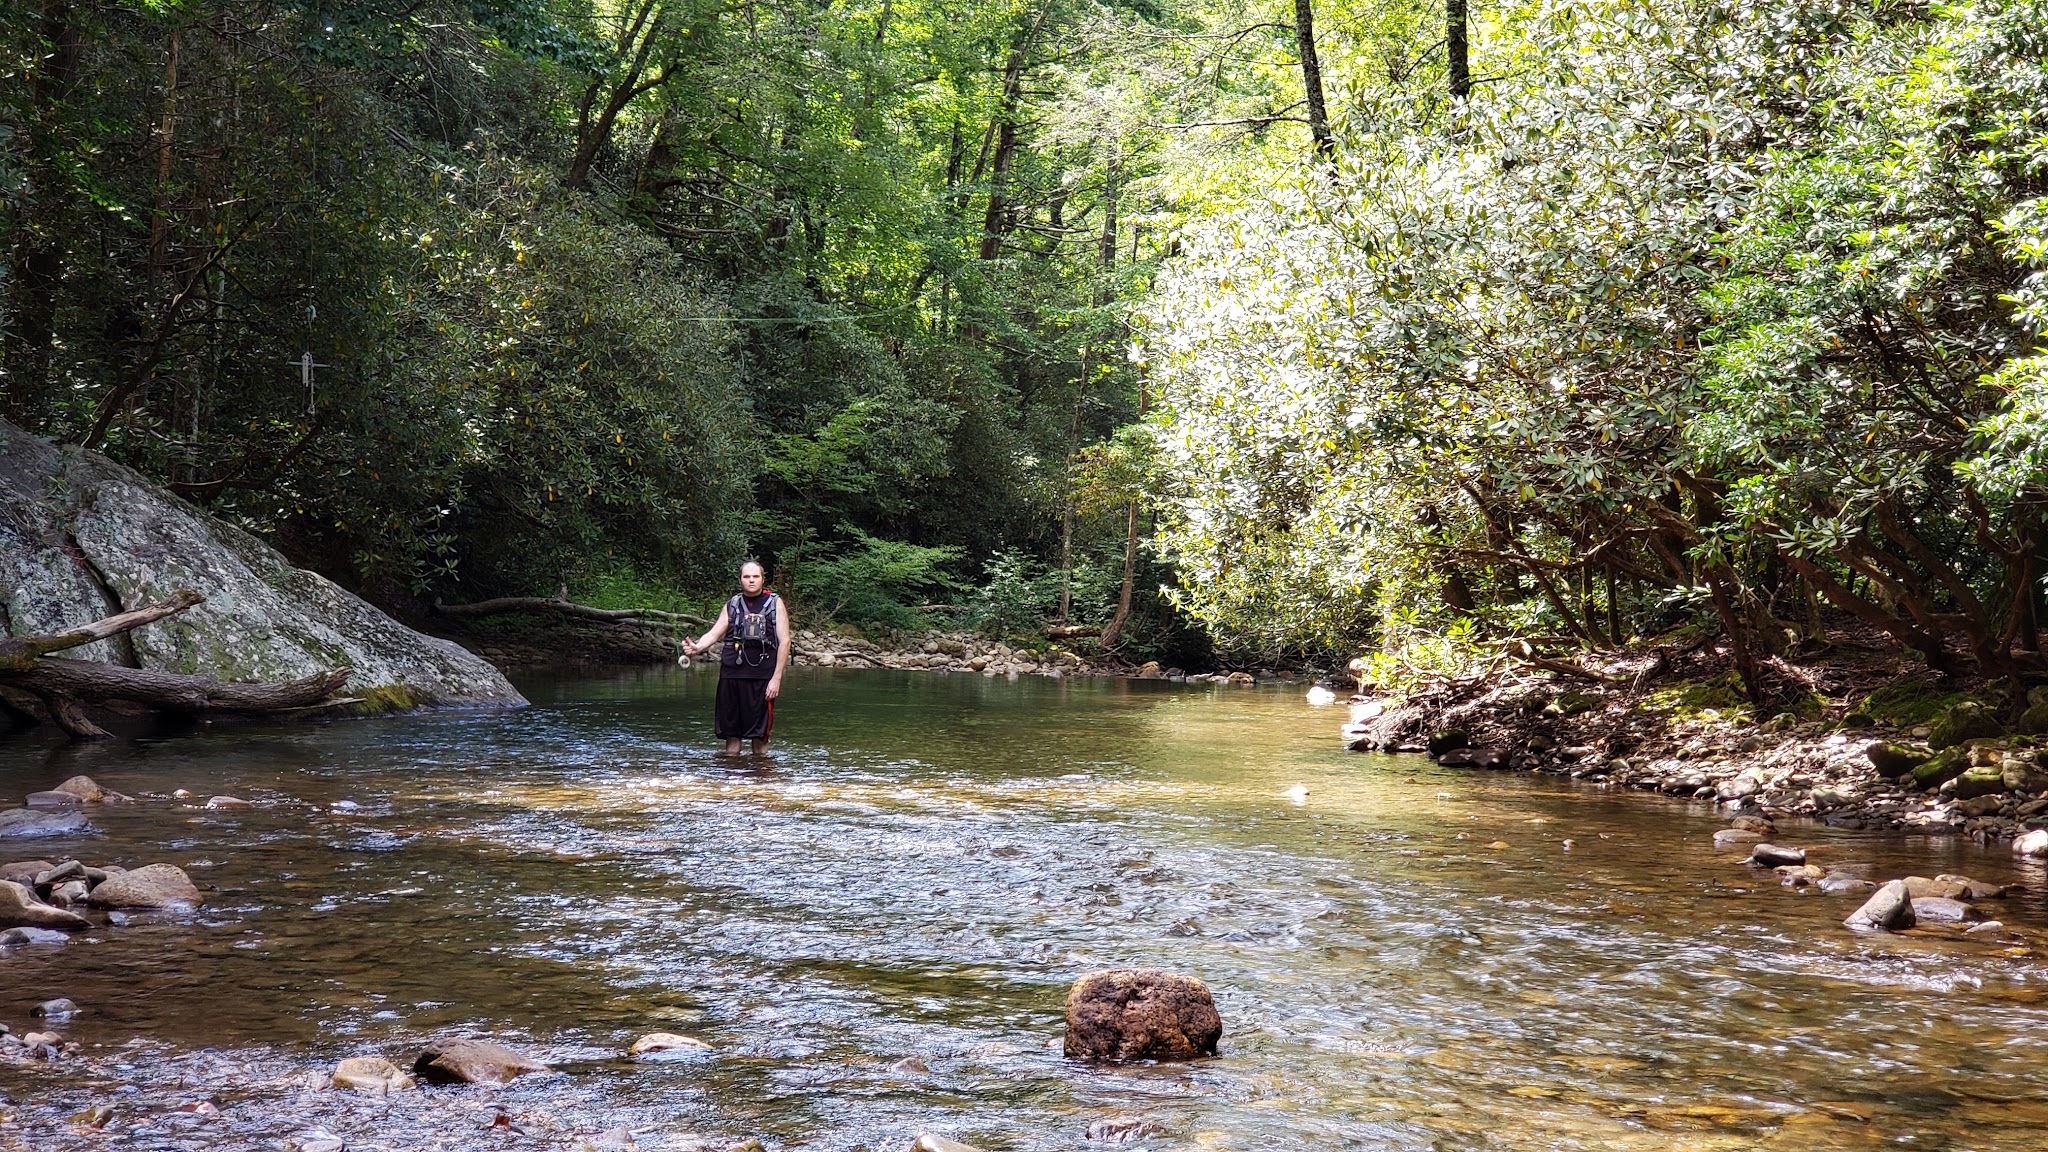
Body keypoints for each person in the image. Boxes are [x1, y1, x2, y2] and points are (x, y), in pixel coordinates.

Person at [681, 560, 791, 755]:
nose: (751, 580)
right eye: (746, 577)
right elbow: (714, 634)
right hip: (731, 675)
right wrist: (697, 647)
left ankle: (760, 780)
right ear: (740, 580)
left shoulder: (775, 603)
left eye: (755, 576)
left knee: (759, 736)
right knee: (732, 735)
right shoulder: (732, 604)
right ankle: (732, 780)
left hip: (762, 678)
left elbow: (785, 642)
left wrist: (776, 679)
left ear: (763, 579)